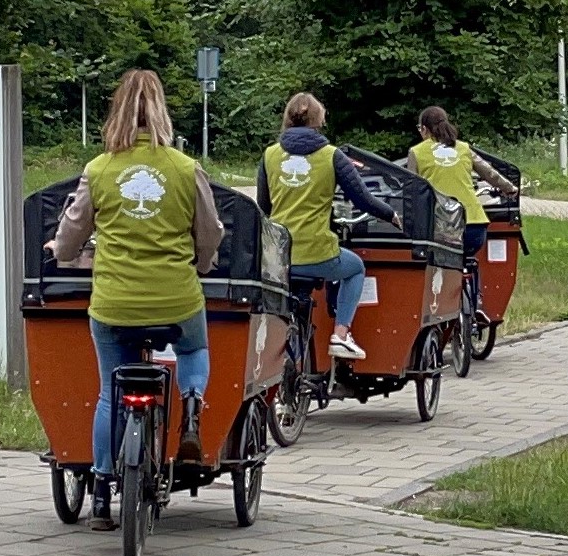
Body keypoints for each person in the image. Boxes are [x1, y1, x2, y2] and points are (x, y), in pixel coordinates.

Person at [51, 70, 224, 529]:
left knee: (110, 390)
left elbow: (70, 238)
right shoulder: (186, 169)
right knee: (193, 347)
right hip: (176, 300)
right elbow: (209, 233)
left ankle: (104, 492)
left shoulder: (99, 169)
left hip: (113, 305)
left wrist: (62, 252)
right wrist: (203, 263)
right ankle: (189, 407)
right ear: (163, 111)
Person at [257, 93, 402, 362]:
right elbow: (362, 197)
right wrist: (391, 214)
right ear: (319, 119)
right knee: (355, 268)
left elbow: (264, 207)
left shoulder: (269, 156)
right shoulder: (331, 156)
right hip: (317, 253)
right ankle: (341, 334)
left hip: (280, 258)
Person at [406, 106, 518, 265]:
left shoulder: (416, 152)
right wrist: (510, 189)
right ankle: (472, 288)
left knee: (443, 268)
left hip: (444, 227)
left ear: (424, 129)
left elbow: (413, 190)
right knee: (467, 264)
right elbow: (489, 173)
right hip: (475, 225)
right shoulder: (463, 148)